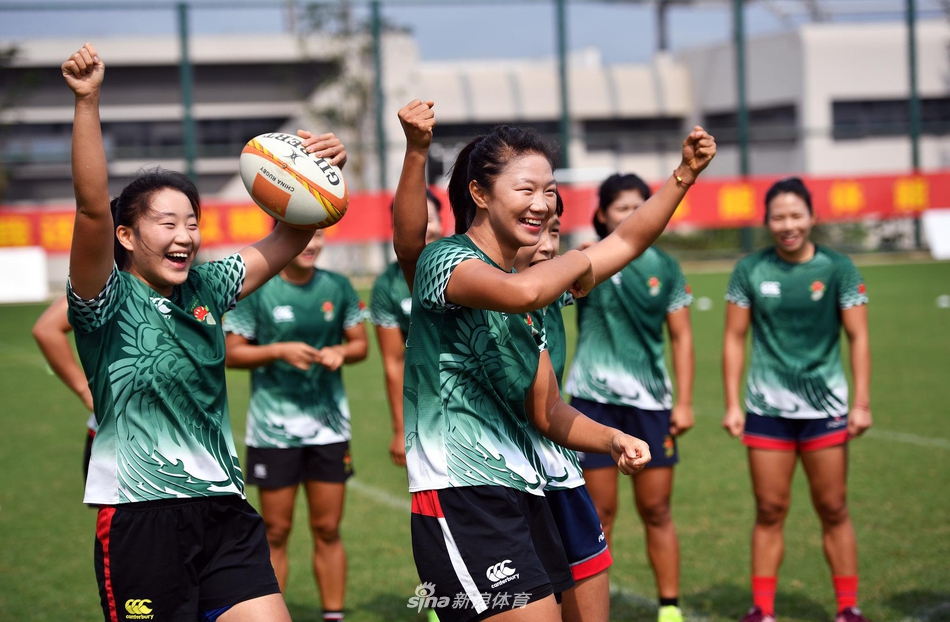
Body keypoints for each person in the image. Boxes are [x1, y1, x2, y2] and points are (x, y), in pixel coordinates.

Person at [393, 99, 716, 621]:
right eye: (527, 190)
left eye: (549, 192)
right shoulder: (446, 261)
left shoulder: (541, 294)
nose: (543, 205)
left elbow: (628, 240)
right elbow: (519, 292)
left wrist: (684, 176)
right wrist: (573, 259)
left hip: (528, 483)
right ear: (479, 193)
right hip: (463, 490)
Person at [61, 43, 346, 622]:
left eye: (192, 222)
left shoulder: (208, 288)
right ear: (125, 236)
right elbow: (91, 209)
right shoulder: (103, 300)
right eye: (166, 223)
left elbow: (288, 238)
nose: (184, 235)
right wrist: (87, 101)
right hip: (142, 515)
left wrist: (323, 172)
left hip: (223, 506)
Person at [721, 177, 872, 622]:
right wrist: (733, 403)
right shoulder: (749, 270)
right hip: (766, 410)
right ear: (767, 221)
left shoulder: (839, 269)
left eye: (796, 215)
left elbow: (858, 338)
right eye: (778, 217)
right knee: (769, 509)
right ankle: (762, 610)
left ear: (812, 217)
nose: (788, 225)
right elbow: (733, 339)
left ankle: (848, 608)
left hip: (825, 409)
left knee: (833, 507)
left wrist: (860, 403)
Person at [564, 173, 695, 622]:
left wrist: (685, 401)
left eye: (641, 205)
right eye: (623, 208)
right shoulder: (586, 261)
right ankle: (598, 608)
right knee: (599, 513)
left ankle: (670, 608)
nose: (634, 214)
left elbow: (682, 338)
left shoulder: (667, 267)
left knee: (657, 508)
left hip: (651, 405)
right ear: (602, 215)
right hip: (593, 404)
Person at [222, 228, 367, 622]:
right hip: (273, 430)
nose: (312, 245)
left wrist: (341, 351)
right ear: (284, 239)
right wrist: (278, 351)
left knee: (327, 527)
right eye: (304, 237)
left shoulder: (337, 286)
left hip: (329, 429)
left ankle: (333, 616)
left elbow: (360, 344)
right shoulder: (258, 290)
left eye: (318, 237)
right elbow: (231, 353)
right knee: (275, 531)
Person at [517, 196, 613, 622]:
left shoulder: (557, 293)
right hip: (499, 480)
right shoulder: (468, 291)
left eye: (555, 231)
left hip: (559, 468)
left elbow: (628, 240)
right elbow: (408, 248)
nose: (547, 245)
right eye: (537, 230)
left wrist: (683, 176)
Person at [369, 189, 443, 467]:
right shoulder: (386, 285)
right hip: (427, 409)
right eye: (409, 222)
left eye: (429, 220)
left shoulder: (467, 264)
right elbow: (394, 361)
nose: (421, 228)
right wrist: (401, 429)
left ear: (443, 222)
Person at [32, 296, 98, 482]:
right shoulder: (120, 281)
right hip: (121, 440)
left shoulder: (187, 283)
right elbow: (47, 329)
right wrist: (86, 392)